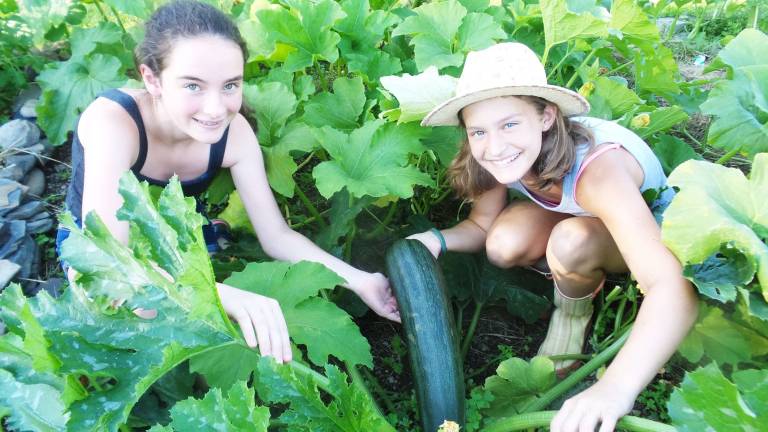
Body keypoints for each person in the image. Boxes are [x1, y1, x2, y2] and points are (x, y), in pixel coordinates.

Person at [56, 0, 400, 365]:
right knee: (144, 318)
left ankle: (210, 237)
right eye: (193, 86)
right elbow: (113, 261)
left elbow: (277, 236)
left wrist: (359, 280)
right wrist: (224, 296)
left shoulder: (233, 133)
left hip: (177, 242)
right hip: (100, 252)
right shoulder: (114, 122)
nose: (216, 108)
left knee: (206, 326)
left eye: (230, 85)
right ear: (152, 78)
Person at [408, 42, 697, 431]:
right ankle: (573, 270)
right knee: (503, 243)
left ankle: (572, 315)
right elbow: (480, 227)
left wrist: (615, 388)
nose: (493, 146)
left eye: (510, 124)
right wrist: (435, 241)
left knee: (571, 241)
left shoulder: (601, 170)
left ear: (546, 117)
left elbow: (670, 285)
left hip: (647, 230)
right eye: (479, 131)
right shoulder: (500, 157)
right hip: (573, 213)